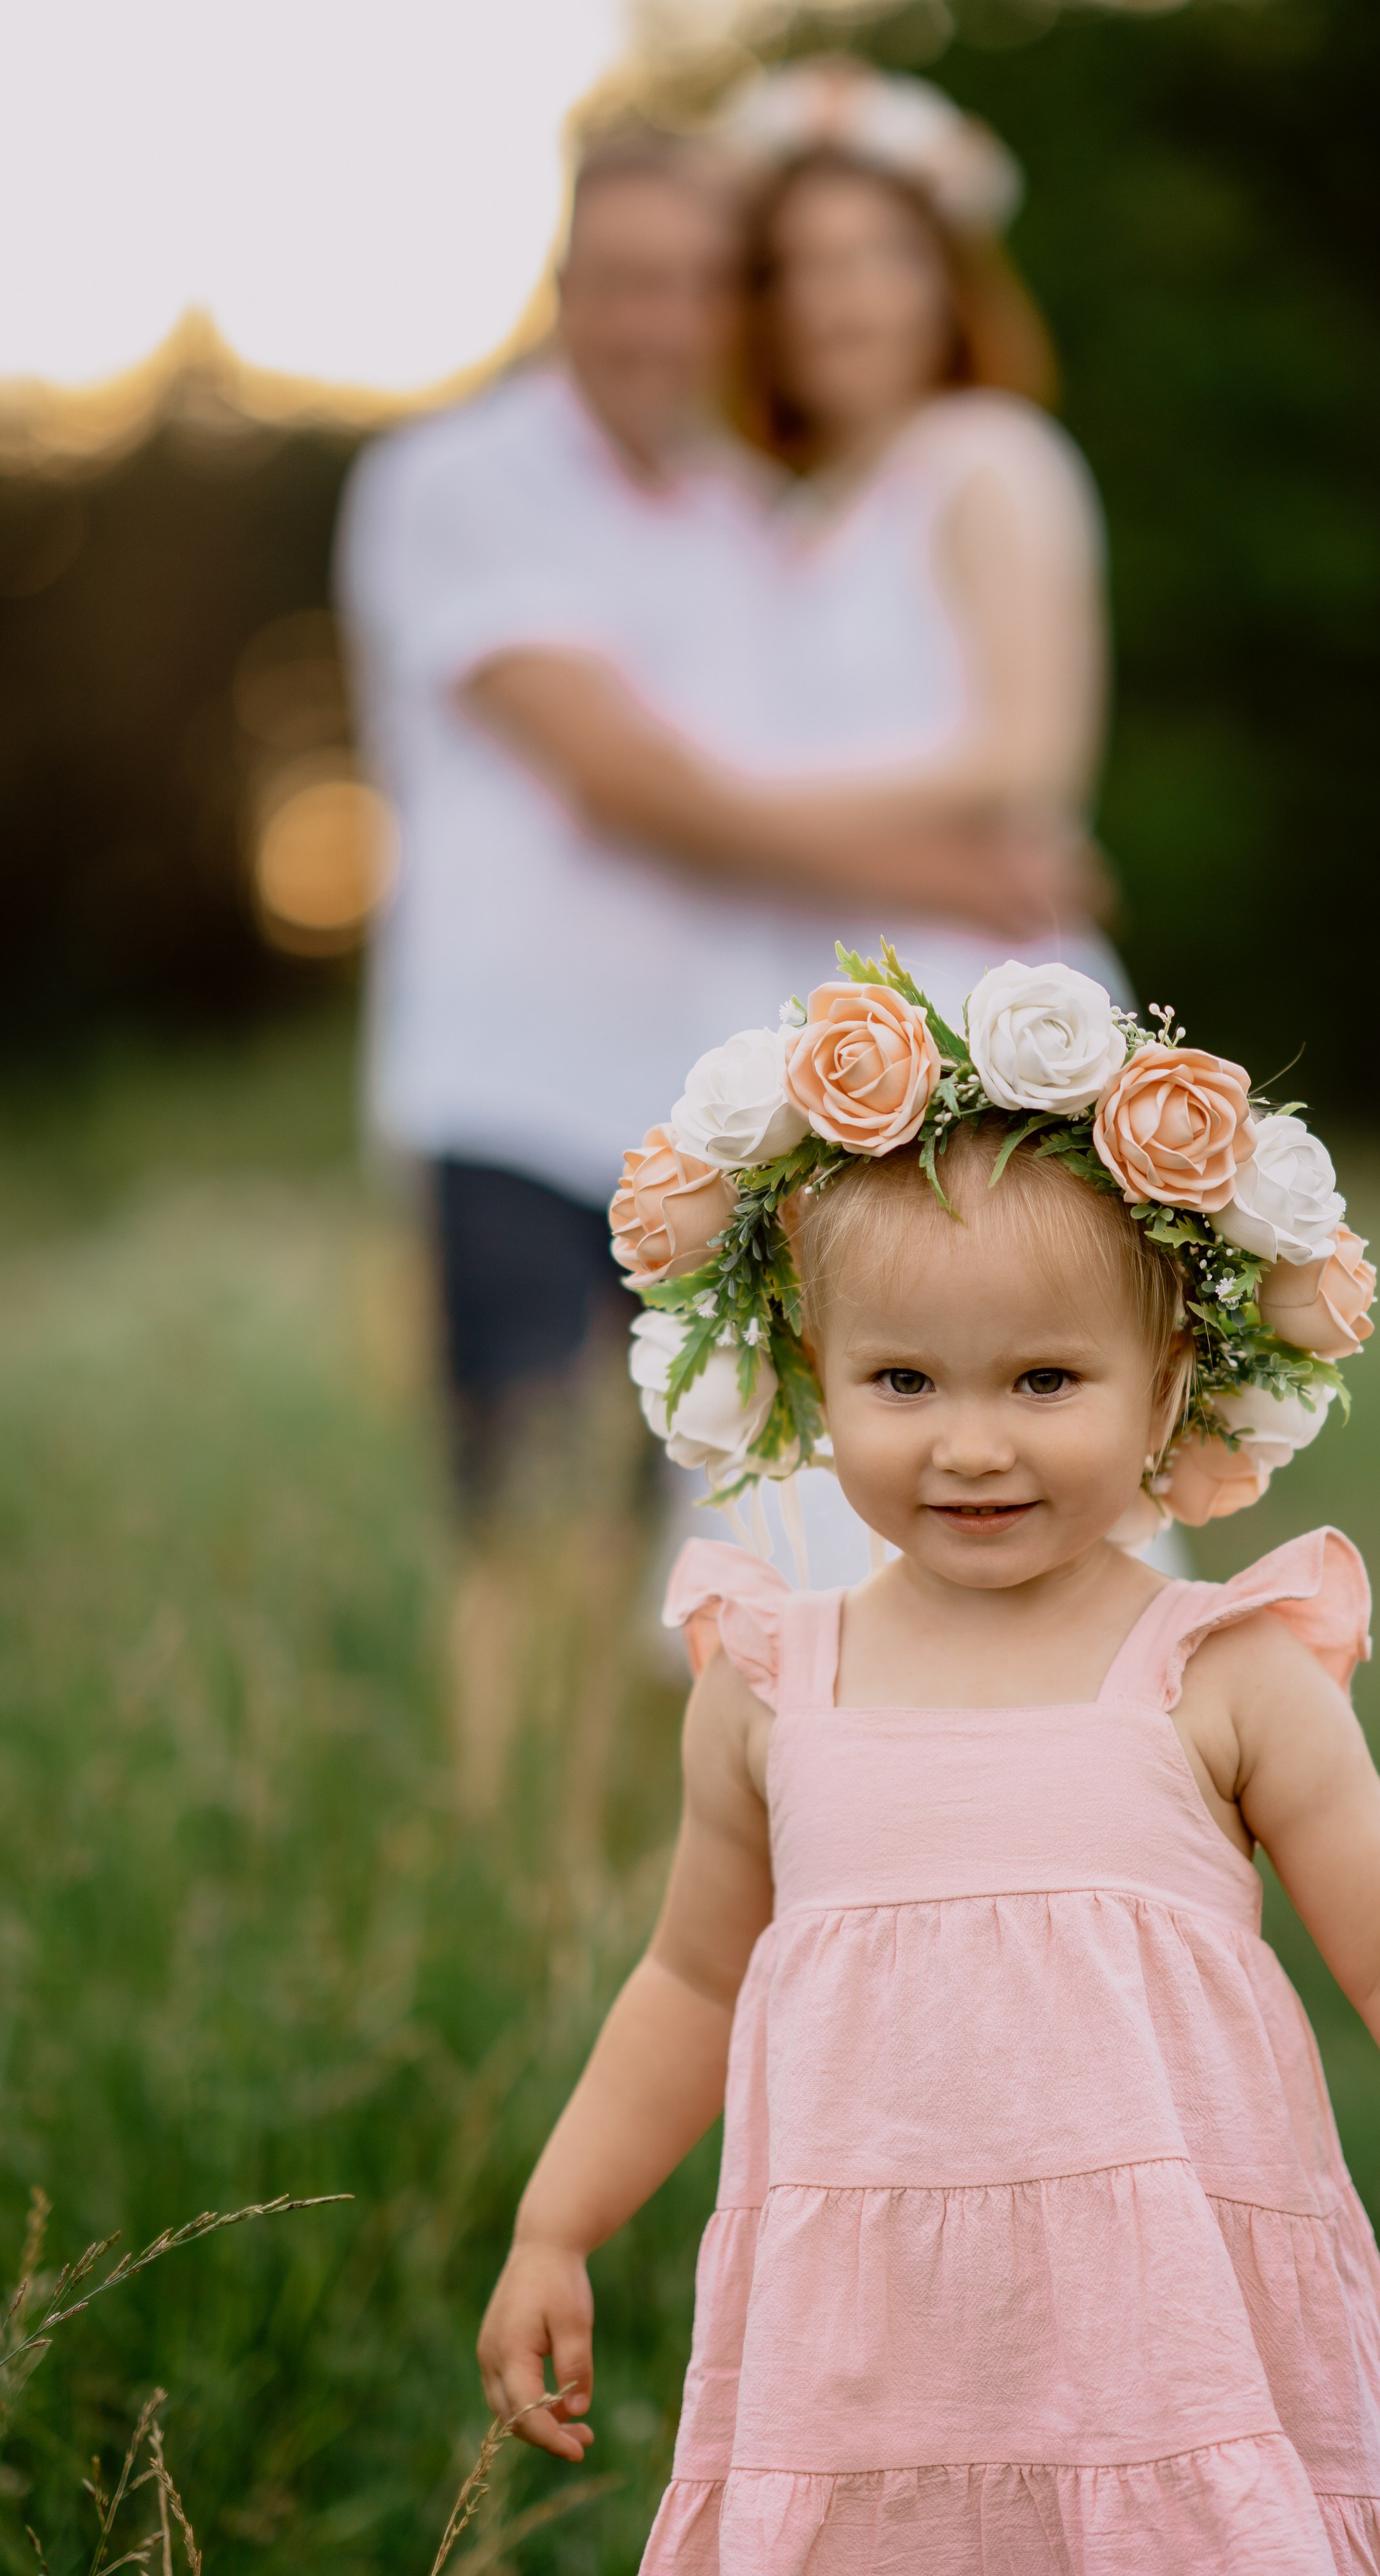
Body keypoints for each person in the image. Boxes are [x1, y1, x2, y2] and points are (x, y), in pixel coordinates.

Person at [476, 955, 1380, 2571]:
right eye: (903, 1382)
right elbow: (688, 1985)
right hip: (870, 2361)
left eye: (1045, 1381)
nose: (971, 1441)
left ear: (1170, 1390)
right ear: (811, 1379)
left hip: (1161, 2343)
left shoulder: (1226, 1673)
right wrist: (556, 2221)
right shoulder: (773, 1682)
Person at [339, 125, 1063, 1809]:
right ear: (565, 285)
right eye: (625, 282)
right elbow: (624, 780)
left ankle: (669, 1906)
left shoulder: (745, 512)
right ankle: (494, 1885)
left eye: (695, 286)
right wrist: (951, 872)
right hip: (511, 1087)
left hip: (712, 1108)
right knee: (527, 1513)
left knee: (709, 1543)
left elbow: (817, 746)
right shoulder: (462, 482)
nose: (659, 321)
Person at [464, 56, 1124, 1035]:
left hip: (976, 981)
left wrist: (729, 811)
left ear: (949, 281)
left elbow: (1027, 760)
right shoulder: (777, 509)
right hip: (808, 997)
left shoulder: (991, 456)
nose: (836, 300)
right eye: (798, 267)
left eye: (879, 256)